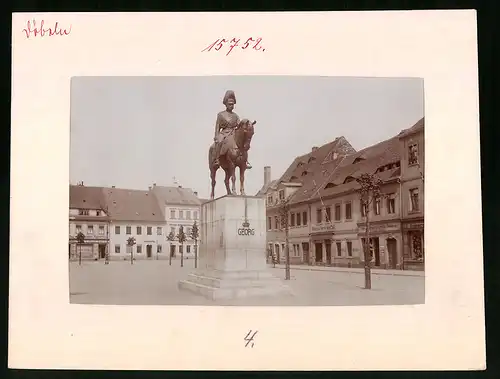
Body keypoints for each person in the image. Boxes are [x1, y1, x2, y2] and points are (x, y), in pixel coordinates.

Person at [213, 90, 252, 169]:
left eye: (233, 104)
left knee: (242, 142)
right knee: (219, 141)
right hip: (224, 133)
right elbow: (217, 127)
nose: (231, 106)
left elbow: (239, 126)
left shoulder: (236, 116)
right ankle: (216, 159)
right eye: (230, 104)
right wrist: (216, 136)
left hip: (233, 133)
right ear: (226, 104)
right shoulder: (221, 115)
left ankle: (245, 160)